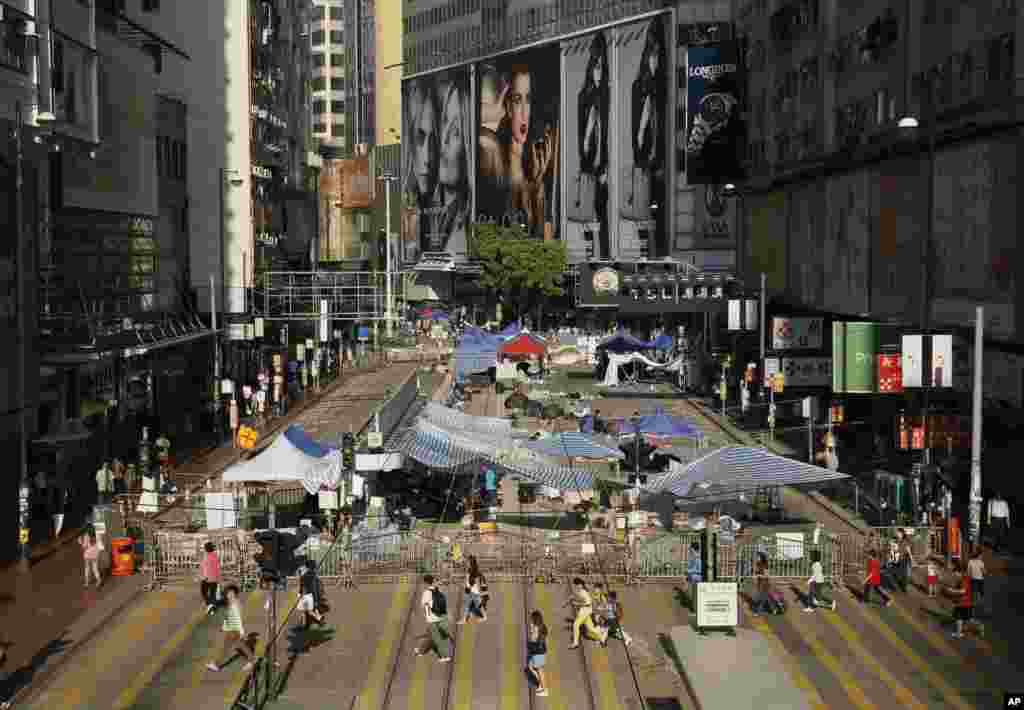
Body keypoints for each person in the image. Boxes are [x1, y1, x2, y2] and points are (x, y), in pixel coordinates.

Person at [630, 16, 667, 255]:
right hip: (647, 163)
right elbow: (639, 126)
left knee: (657, 213)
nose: (655, 60)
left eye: (659, 54)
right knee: (647, 214)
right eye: (652, 55)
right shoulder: (642, 87)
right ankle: (647, 252)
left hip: (660, 162)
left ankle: (656, 251)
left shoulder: (662, 83)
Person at [575, 31, 611, 259]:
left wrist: (606, 166)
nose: (599, 72)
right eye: (596, 66)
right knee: (588, 216)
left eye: (603, 66)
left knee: (602, 213)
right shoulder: (584, 97)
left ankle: (605, 255)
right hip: (589, 165)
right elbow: (582, 135)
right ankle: (589, 258)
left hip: (605, 166)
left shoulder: (608, 93)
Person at [207, 585, 255, 672]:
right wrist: (224, 627)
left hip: (234, 630)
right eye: (228, 593)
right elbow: (228, 617)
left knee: (226, 648)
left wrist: (241, 631)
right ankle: (252, 661)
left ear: (235, 594)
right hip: (232, 629)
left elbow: (239, 618)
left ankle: (216, 664)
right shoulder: (230, 603)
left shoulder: (236, 604)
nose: (229, 595)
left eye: (231, 593)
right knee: (241, 646)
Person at [416, 575, 452, 662]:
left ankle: (443, 656)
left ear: (426, 583)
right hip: (441, 617)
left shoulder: (427, 592)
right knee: (433, 635)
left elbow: (423, 606)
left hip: (433, 618)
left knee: (434, 638)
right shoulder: (438, 589)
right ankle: (421, 649)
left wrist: (426, 615)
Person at [565, 577, 607, 649]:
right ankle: (602, 637)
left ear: (581, 585)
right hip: (584, 612)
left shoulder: (584, 592)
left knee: (575, 624)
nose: (577, 586)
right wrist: (566, 603)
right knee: (590, 628)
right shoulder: (579, 591)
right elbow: (573, 596)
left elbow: (588, 603)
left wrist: (577, 604)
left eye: (578, 585)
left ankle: (575, 643)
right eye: (576, 585)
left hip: (586, 611)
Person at [947, 561, 983, 639]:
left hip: (964, 602)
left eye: (955, 572)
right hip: (964, 602)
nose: (954, 574)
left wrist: (952, 591)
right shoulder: (964, 578)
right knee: (962, 618)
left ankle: (978, 626)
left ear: (960, 571)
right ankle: (960, 633)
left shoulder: (964, 579)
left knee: (963, 618)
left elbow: (963, 591)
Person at [526, 610, 549, 697]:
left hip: (537, 651)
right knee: (531, 667)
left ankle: (544, 689)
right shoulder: (542, 626)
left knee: (540, 671)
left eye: (532, 619)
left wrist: (530, 642)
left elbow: (533, 639)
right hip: (541, 651)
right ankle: (541, 685)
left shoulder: (536, 628)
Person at [458, 555, 485, 624]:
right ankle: (482, 617)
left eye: (467, 561)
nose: (466, 562)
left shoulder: (472, 570)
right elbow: (469, 579)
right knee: (474, 604)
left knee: (469, 605)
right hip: (472, 589)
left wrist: (468, 587)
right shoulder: (470, 569)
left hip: (472, 590)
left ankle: (465, 619)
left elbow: (474, 580)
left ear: (470, 562)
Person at [199, 541, 221, 614]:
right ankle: (212, 607)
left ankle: (210, 606)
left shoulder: (208, 557)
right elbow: (216, 568)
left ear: (206, 549)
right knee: (212, 594)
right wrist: (218, 579)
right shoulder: (214, 556)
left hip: (207, 578)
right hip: (213, 579)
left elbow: (205, 568)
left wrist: (203, 577)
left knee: (204, 592)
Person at [967, 547, 986, 613]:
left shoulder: (970, 561)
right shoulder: (981, 562)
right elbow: (984, 572)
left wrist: (968, 578)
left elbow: (968, 572)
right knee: (981, 593)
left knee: (972, 593)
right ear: (979, 556)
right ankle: (981, 605)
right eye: (981, 556)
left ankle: (972, 605)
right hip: (980, 580)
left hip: (972, 579)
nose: (981, 557)